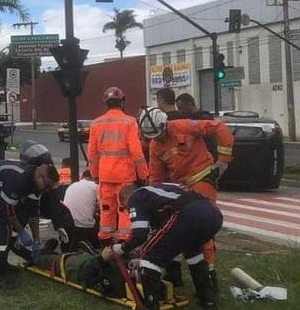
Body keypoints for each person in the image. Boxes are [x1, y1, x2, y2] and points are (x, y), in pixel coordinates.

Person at [101, 182, 224, 310]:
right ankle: (207, 300)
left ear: (126, 198)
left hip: (188, 216)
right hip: (213, 215)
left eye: (128, 209)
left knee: (150, 258)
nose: (129, 212)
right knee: (193, 253)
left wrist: (122, 248)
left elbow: (140, 234)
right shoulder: (157, 193)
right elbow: (162, 237)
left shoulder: (136, 197)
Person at [139, 106, 233, 278]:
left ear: (164, 124)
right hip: (182, 187)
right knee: (171, 227)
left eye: (159, 134)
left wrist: (224, 159)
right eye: (153, 136)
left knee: (201, 226)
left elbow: (220, 128)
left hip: (202, 179)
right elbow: (156, 176)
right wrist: (156, 201)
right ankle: (173, 273)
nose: (158, 138)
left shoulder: (185, 126)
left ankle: (208, 276)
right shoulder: (155, 145)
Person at [0, 158, 61, 289]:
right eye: (47, 186)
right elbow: (7, 210)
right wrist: (21, 231)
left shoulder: (36, 185)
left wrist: (37, 240)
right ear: (40, 176)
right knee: (4, 227)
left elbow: (33, 212)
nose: (47, 190)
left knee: (21, 217)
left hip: (0, 188)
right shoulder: (19, 180)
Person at [86, 86, 150, 246]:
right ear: (122, 102)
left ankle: (105, 243)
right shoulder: (130, 122)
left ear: (106, 104)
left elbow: (92, 154)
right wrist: (143, 175)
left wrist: (94, 174)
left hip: (105, 176)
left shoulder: (96, 123)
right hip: (125, 176)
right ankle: (124, 244)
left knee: (106, 209)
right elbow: (137, 152)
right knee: (125, 210)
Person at [58, 171, 100, 250]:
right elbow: (104, 206)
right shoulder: (95, 186)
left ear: (82, 177)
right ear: (93, 178)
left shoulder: (72, 186)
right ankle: (96, 247)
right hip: (85, 228)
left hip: (67, 225)